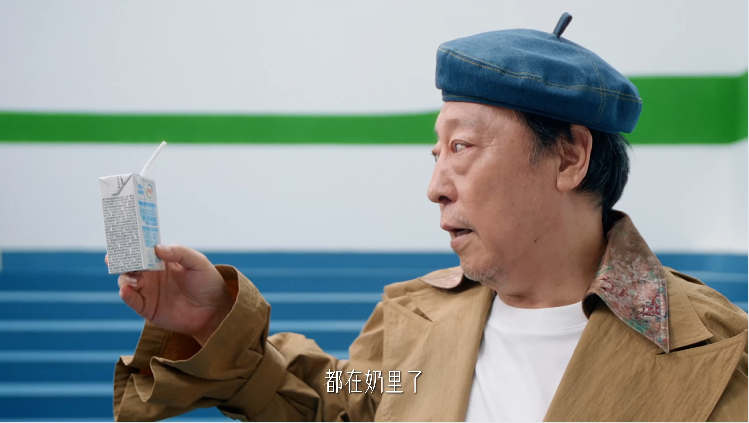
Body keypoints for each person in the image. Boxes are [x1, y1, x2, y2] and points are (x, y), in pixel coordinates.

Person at [111, 13, 748, 422]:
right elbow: (344, 400)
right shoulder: (412, 328)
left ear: (569, 158)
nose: (435, 188)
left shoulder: (722, 356)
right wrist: (212, 324)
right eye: (436, 154)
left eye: (462, 148)